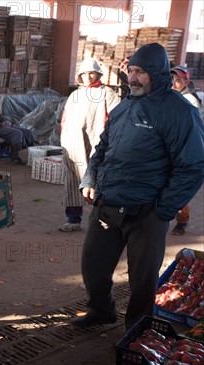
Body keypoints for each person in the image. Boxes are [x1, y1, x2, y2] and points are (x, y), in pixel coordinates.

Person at [70, 43, 204, 331]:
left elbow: (193, 165)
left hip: (147, 212)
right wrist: (90, 179)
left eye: (140, 72)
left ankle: (137, 329)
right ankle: (101, 310)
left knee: (142, 279)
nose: (132, 78)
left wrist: (163, 209)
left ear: (157, 73)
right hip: (108, 205)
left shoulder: (179, 112)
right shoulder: (124, 107)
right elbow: (102, 148)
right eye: (130, 70)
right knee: (94, 267)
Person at [58, 59, 121, 232]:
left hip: (97, 143)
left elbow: (118, 118)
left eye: (91, 73)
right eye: (84, 73)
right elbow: (65, 118)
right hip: (73, 144)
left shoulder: (108, 93)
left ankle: (103, 218)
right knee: (73, 179)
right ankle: (73, 219)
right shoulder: (75, 95)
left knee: (99, 178)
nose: (87, 76)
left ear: (98, 74)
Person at [168, 66, 204, 235]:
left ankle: (182, 219)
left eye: (179, 80)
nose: (175, 83)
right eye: (172, 79)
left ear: (186, 82)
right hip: (170, 148)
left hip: (185, 150)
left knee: (180, 185)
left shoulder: (190, 100)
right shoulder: (168, 97)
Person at [0, 97, 36, 164]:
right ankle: (15, 157)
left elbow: (3, 118)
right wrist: (1, 124)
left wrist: (9, 122)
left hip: (3, 126)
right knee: (17, 133)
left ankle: (33, 152)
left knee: (27, 132)